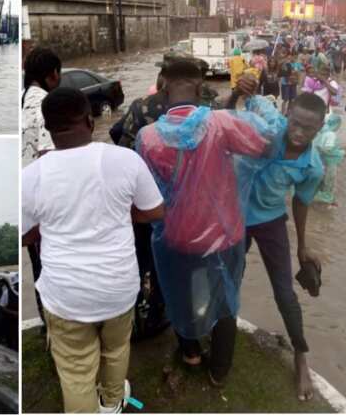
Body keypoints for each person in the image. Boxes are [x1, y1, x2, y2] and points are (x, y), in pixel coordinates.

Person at [22, 87, 165, 413]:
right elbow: (155, 211)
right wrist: (121, 211)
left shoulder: (30, 177)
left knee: (75, 371)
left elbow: (25, 235)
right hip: (118, 287)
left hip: (65, 295)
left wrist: (47, 225)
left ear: (48, 128)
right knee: (116, 350)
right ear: (89, 120)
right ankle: (113, 402)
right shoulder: (125, 160)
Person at [136, 61, 270, 388]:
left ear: (163, 87)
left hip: (176, 237)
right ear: (200, 88)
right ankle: (219, 370)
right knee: (225, 296)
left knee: (181, 293)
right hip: (223, 233)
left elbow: (145, 193)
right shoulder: (222, 124)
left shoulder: (147, 137)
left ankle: (191, 352)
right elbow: (263, 148)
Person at [235, 91, 327, 401]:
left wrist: (303, 246)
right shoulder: (269, 124)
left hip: (271, 220)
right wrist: (238, 91)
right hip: (236, 216)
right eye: (296, 124)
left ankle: (301, 355)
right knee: (229, 276)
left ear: (321, 128)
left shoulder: (312, 167)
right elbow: (248, 102)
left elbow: (301, 203)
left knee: (284, 292)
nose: (299, 133)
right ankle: (220, 332)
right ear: (287, 113)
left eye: (308, 129)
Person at [21, 47, 61, 329]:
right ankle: (57, 327)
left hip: (29, 205)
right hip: (46, 205)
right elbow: (49, 157)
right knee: (53, 269)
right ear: (52, 75)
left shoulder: (23, 101)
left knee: (39, 269)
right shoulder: (46, 105)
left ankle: (49, 326)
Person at [312, 113, 344, 206]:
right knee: (329, 180)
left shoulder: (322, 130)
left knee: (322, 178)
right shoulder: (331, 134)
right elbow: (327, 149)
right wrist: (339, 152)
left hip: (320, 160)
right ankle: (326, 197)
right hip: (329, 161)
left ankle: (320, 195)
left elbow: (317, 146)